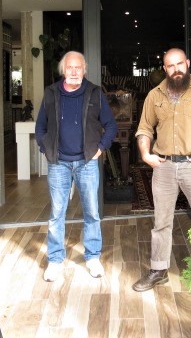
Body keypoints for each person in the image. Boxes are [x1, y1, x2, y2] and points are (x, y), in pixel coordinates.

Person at [132, 48, 191, 292]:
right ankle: (158, 270)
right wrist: (146, 154)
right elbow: (145, 128)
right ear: (164, 69)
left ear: (187, 63)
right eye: (170, 66)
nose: (176, 69)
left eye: (179, 64)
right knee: (161, 222)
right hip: (163, 167)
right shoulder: (155, 96)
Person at [35, 51, 118, 282]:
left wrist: (99, 149)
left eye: (78, 68)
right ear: (63, 70)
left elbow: (110, 125)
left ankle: (92, 257)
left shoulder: (94, 93)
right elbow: (40, 127)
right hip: (59, 163)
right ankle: (55, 260)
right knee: (56, 214)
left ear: (84, 70)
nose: (74, 71)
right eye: (70, 67)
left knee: (92, 212)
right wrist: (47, 149)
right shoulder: (51, 93)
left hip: (87, 163)